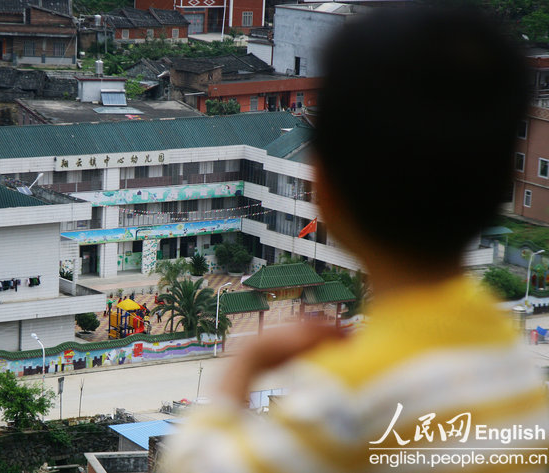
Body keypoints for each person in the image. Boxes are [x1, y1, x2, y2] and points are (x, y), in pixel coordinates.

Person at [161, 8, 549, 473]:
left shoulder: (350, 401)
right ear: (503, 180)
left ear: (321, 186)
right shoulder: (517, 376)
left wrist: (244, 371)